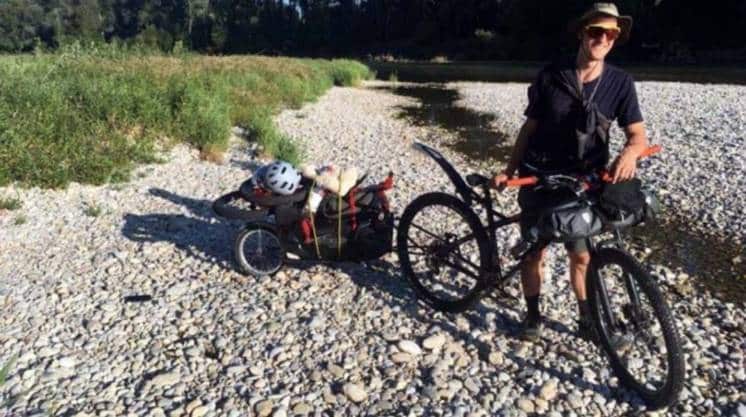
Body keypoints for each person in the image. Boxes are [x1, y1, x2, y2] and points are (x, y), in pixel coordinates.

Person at [492, 3, 650, 341]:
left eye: (611, 34)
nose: (603, 39)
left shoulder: (621, 83)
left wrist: (630, 153)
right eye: (597, 31)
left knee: (580, 255)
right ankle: (532, 317)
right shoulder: (551, 75)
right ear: (582, 32)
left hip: (583, 183)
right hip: (539, 177)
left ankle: (586, 320)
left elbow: (638, 135)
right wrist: (509, 170)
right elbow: (529, 128)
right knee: (534, 252)